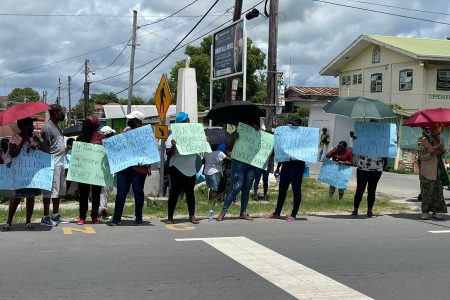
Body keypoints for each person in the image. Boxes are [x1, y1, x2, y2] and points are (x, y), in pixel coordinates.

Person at [2, 117, 45, 231]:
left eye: (31, 123)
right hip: (20, 173)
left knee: (30, 197)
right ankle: (9, 222)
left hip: (31, 173)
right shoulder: (15, 138)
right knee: (16, 197)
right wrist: (22, 142)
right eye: (28, 124)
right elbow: (12, 153)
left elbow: (44, 151)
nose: (31, 126)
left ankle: (28, 222)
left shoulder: (35, 136)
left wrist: (39, 141)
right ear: (22, 126)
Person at [109, 111, 150, 226]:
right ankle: (116, 219)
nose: (129, 121)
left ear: (139, 121)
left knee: (138, 192)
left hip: (138, 168)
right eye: (129, 119)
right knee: (121, 193)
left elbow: (149, 151)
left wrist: (148, 165)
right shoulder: (125, 131)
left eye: (132, 119)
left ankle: (138, 218)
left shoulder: (145, 134)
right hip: (124, 168)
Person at [216, 121, 260, 222]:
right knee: (236, 186)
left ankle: (243, 212)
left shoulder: (256, 134)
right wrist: (235, 138)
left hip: (251, 164)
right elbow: (228, 148)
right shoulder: (236, 133)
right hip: (239, 163)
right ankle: (223, 212)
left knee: (247, 188)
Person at [266, 117, 305, 222]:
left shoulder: (303, 138)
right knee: (282, 189)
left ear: (298, 126)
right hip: (286, 166)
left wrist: (296, 156)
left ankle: (294, 214)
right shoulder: (286, 137)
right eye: (290, 124)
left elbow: (307, 152)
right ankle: (277, 212)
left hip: (297, 166)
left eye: (293, 124)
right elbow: (282, 153)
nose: (290, 126)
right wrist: (278, 167)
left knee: (296, 190)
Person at [165, 112, 199, 224]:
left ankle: (192, 215)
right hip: (177, 168)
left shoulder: (194, 134)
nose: (189, 122)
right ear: (181, 123)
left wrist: (203, 142)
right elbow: (168, 154)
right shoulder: (172, 135)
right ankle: (170, 217)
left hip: (191, 169)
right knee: (174, 193)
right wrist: (174, 146)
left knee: (190, 193)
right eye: (186, 120)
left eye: (188, 120)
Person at [40, 104, 69, 226]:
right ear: (54, 113)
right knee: (49, 191)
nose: (62, 114)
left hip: (60, 163)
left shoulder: (57, 127)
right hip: (51, 164)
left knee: (58, 191)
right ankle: (45, 217)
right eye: (60, 112)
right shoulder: (47, 127)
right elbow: (45, 146)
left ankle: (55, 215)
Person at [76, 115, 104, 225]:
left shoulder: (101, 138)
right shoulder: (80, 138)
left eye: (88, 124)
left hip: (97, 171)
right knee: (83, 194)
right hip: (83, 171)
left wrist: (98, 146)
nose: (85, 126)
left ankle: (94, 217)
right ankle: (82, 217)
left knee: (96, 194)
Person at [418, 127, 448, 220]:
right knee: (427, 193)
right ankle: (425, 212)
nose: (438, 130)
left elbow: (442, 155)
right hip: (427, 171)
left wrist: (443, 152)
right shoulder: (424, 140)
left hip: (438, 170)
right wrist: (432, 153)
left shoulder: (441, 140)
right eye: (436, 128)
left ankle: (436, 212)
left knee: (437, 192)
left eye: (439, 128)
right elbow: (421, 157)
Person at [98, 126, 116, 219]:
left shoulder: (110, 144)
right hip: (104, 172)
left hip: (110, 171)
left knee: (108, 190)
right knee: (105, 190)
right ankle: (102, 210)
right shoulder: (102, 145)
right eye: (111, 134)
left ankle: (103, 209)